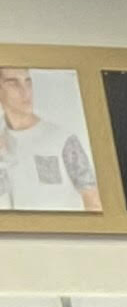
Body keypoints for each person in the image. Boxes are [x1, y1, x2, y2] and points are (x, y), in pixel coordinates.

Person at [0, 67, 94, 214]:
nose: (25, 92)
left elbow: (92, 199)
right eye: (13, 84)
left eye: (28, 82)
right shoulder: (3, 143)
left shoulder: (61, 139)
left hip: (61, 234)